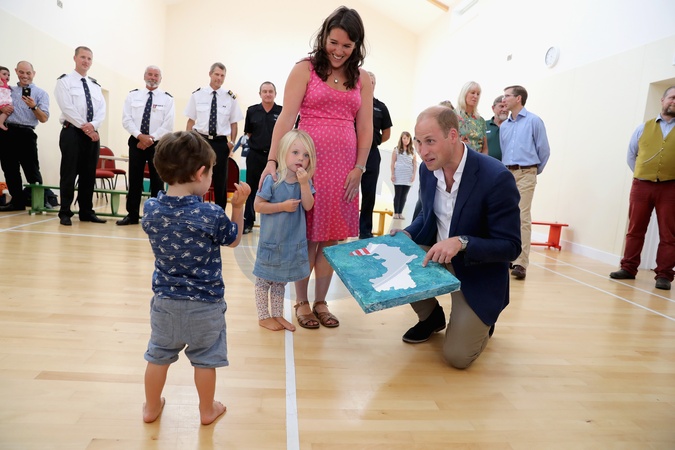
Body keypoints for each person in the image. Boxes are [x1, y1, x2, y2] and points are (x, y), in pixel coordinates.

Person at [259, 6, 373, 329]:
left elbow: (365, 127)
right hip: (307, 166)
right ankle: (302, 301)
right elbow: (286, 118)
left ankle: (322, 301)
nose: (338, 51)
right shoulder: (304, 69)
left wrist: (360, 168)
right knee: (307, 235)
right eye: (333, 42)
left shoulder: (363, 79)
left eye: (347, 46)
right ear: (323, 37)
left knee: (332, 238)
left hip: (345, 169)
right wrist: (272, 160)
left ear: (356, 46)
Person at [393, 105, 521, 369]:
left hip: (477, 268)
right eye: (418, 142)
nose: (422, 151)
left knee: (457, 357)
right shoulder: (428, 170)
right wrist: (407, 233)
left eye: (430, 141)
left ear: (453, 135)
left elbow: (511, 246)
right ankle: (431, 318)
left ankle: (483, 320)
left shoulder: (496, 177)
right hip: (438, 256)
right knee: (397, 254)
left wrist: (462, 242)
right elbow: (426, 216)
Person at [140, 130, 251, 425]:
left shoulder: (150, 209)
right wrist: (238, 207)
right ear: (200, 173)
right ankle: (206, 409)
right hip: (205, 304)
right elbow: (233, 239)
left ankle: (151, 407)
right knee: (205, 358)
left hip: (165, 302)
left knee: (158, 355)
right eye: (211, 172)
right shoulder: (210, 213)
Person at [609, 86, 675, 291]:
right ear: (663, 100)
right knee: (635, 229)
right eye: (672, 97)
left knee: (669, 233)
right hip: (642, 185)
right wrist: (643, 174)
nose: (674, 102)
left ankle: (664, 275)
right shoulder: (642, 128)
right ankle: (628, 268)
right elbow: (632, 155)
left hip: (671, 187)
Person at [253, 130, 316, 331]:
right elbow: (258, 206)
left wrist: (304, 184)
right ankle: (263, 316)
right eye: (295, 152)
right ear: (283, 153)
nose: (301, 158)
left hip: (290, 243)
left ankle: (277, 314)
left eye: (306, 155)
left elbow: (308, 205)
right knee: (264, 281)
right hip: (271, 242)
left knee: (280, 282)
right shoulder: (272, 180)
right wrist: (282, 206)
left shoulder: (304, 182)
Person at [500, 85, 551, 280]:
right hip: (507, 173)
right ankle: (507, 256)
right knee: (506, 216)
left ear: (518, 98)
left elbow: (544, 150)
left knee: (522, 215)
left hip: (526, 172)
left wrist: (532, 171)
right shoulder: (505, 126)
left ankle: (521, 263)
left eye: (507, 96)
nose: (503, 99)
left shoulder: (534, 121)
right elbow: (504, 150)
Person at [54, 46, 107, 226]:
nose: (86, 61)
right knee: (69, 173)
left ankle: (86, 211)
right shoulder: (64, 82)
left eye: (89, 58)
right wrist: (87, 128)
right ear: (75, 58)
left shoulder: (95, 86)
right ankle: (65, 212)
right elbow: (67, 107)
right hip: (72, 132)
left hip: (91, 134)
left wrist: (93, 126)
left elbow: (101, 110)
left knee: (88, 175)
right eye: (83, 57)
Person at [117, 65, 175, 226]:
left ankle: (156, 216)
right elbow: (126, 119)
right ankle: (132, 215)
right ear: (144, 76)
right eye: (150, 74)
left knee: (157, 181)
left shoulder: (167, 99)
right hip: (136, 141)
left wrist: (150, 139)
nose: (153, 77)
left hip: (158, 144)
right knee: (135, 179)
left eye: (156, 75)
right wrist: (140, 136)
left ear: (160, 79)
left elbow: (168, 124)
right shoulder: (133, 96)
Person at [185, 62, 244, 210]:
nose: (219, 78)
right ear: (210, 74)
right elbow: (191, 121)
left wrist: (232, 143)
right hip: (201, 140)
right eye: (217, 74)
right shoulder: (197, 95)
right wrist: (188, 142)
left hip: (220, 143)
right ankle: (196, 209)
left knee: (220, 179)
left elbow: (234, 124)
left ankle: (220, 212)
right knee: (197, 176)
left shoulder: (230, 97)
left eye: (222, 75)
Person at [0, 61, 50, 212]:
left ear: (33, 74)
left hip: (27, 133)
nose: (25, 76)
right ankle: (17, 202)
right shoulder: (8, 90)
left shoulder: (41, 93)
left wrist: (34, 106)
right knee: (9, 169)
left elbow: (44, 118)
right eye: (21, 72)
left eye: (28, 73)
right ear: (16, 71)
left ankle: (41, 201)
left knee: (31, 169)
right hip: (7, 132)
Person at [242, 81, 282, 234]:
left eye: (270, 91)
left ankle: (274, 224)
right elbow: (249, 133)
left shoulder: (281, 111)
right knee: (251, 189)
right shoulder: (252, 111)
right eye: (264, 91)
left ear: (275, 94)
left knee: (276, 190)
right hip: (255, 156)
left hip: (275, 158)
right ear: (260, 94)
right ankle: (248, 222)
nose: (267, 94)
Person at [359, 71, 392, 239]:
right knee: (346, 192)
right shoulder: (353, 103)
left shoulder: (381, 107)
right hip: (352, 153)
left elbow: (386, 133)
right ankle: (343, 228)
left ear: (374, 85)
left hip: (371, 154)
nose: (368, 84)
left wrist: (374, 142)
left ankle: (365, 231)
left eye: (372, 82)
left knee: (369, 194)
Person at [390, 131, 416, 220]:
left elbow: (414, 164)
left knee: (404, 196)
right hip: (399, 175)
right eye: (404, 138)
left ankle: (400, 213)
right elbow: (392, 163)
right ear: (401, 139)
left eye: (407, 138)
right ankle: (396, 213)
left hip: (408, 176)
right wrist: (392, 174)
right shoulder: (396, 150)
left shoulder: (412, 151)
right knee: (398, 194)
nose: (406, 140)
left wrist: (414, 175)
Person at [457, 81, 487, 154]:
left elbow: (485, 148)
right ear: (464, 94)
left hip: (478, 159)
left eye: (478, 94)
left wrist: (483, 160)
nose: (475, 96)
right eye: (472, 93)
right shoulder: (452, 116)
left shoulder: (480, 120)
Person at [485, 95, 508, 161]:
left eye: (506, 106)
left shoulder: (513, 126)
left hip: (508, 165)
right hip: (488, 164)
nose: (504, 110)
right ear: (493, 108)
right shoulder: (483, 125)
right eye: (501, 106)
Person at [0, 66, 12, 131]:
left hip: (5, 102)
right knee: (6, 112)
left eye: (8, 75)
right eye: (4, 74)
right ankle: (1, 123)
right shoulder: (1, 83)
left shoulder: (7, 85)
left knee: (7, 112)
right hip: (2, 101)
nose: (7, 76)